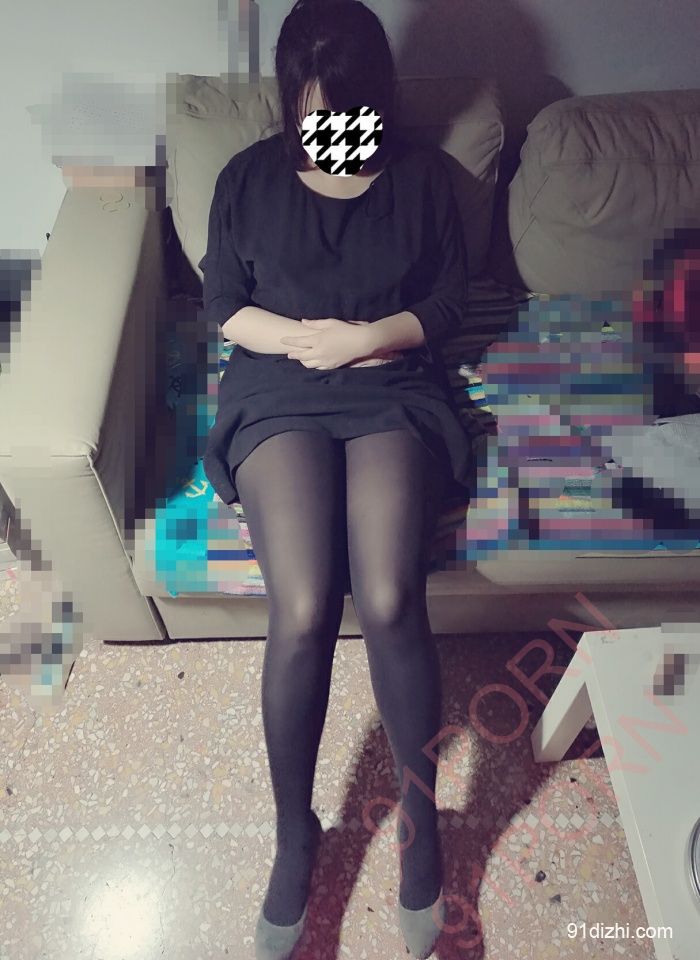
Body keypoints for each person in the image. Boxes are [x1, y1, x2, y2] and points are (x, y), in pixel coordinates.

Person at [198, 2, 474, 956]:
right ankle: (295, 832)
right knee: (307, 604)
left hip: (390, 382)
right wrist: (306, 342)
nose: (331, 132)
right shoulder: (247, 179)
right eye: (314, 112)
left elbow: (449, 300)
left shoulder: (424, 179)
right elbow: (224, 303)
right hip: (278, 386)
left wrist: (365, 340)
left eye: (347, 112)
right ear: (292, 101)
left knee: (391, 594)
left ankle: (420, 817)